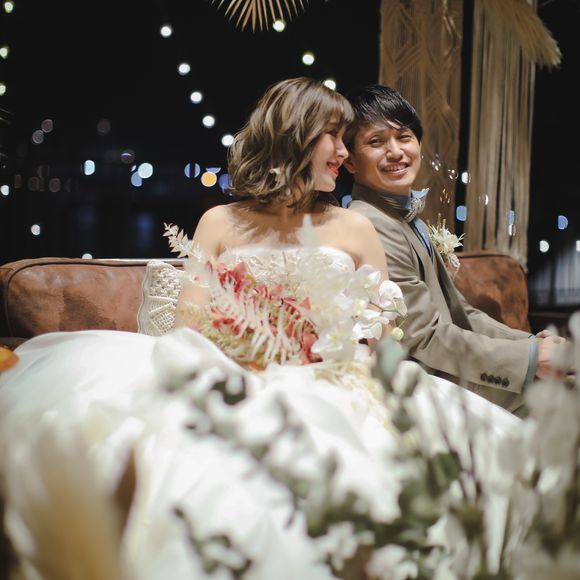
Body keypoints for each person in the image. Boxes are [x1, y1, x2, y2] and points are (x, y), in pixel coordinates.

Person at [0, 77, 522, 580]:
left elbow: (385, 336)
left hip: (337, 382)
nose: (344, 153)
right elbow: (188, 326)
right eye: (335, 137)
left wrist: (340, 352)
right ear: (296, 138)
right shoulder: (219, 223)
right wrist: (253, 353)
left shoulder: (356, 228)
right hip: (239, 375)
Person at [343, 83, 566, 416]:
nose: (395, 151)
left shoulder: (400, 216)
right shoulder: (372, 224)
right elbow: (424, 337)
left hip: (451, 365)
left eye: (404, 137)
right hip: (429, 381)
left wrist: (532, 345)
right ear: (350, 161)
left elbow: (463, 313)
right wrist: (532, 360)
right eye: (376, 142)